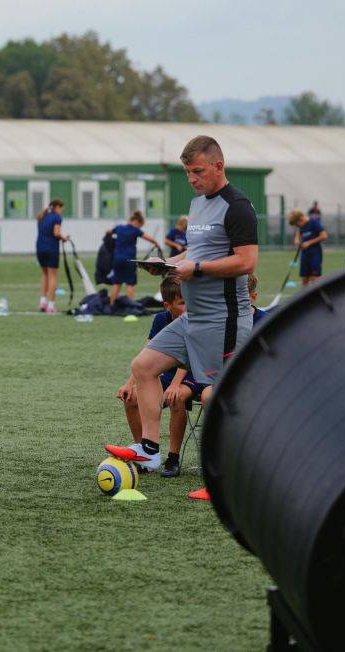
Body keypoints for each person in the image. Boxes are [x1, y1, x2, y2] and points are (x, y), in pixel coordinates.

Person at [106, 135, 258, 473]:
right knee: (143, 367)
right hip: (193, 318)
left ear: (218, 166)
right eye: (188, 172)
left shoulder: (238, 206)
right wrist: (168, 264)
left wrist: (197, 268)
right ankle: (149, 450)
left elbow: (247, 261)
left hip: (224, 320)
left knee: (219, 396)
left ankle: (228, 472)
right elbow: (197, 252)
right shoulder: (198, 204)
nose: (191, 178)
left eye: (197, 171)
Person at [110, 278, 205, 479]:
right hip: (168, 375)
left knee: (176, 397)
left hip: (193, 373)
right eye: (182, 303)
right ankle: (145, 452)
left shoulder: (195, 320)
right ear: (167, 305)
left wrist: (175, 384)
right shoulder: (161, 319)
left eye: (189, 301)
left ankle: (173, 458)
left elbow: (188, 357)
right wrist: (129, 384)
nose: (187, 307)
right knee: (131, 398)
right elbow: (147, 355)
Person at [106, 211, 160, 306]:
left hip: (117, 259)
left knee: (117, 283)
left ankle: (111, 305)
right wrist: (156, 243)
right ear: (137, 222)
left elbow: (108, 232)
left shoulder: (119, 228)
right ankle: (131, 306)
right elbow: (150, 239)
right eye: (140, 226)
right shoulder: (135, 230)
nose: (139, 228)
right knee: (130, 284)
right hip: (129, 260)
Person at [35, 199, 68, 314]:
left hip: (40, 248)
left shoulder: (42, 216)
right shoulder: (57, 218)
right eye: (61, 209)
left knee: (44, 274)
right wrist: (64, 238)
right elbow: (56, 233)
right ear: (57, 207)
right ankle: (51, 305)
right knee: (52, 276)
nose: (61, 211)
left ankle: (42, 302)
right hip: (51, 248)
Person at [288, 210, 327, 286]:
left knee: (315, 279)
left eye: (297, 225)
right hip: (304, 254)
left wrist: (309, 243)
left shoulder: (314, 223)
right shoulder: (302, 225)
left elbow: (324, 236)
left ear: (300, 219)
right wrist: (297, 240)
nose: (298, 227)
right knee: (304, 279)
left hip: (315, 254)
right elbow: (299, 233)